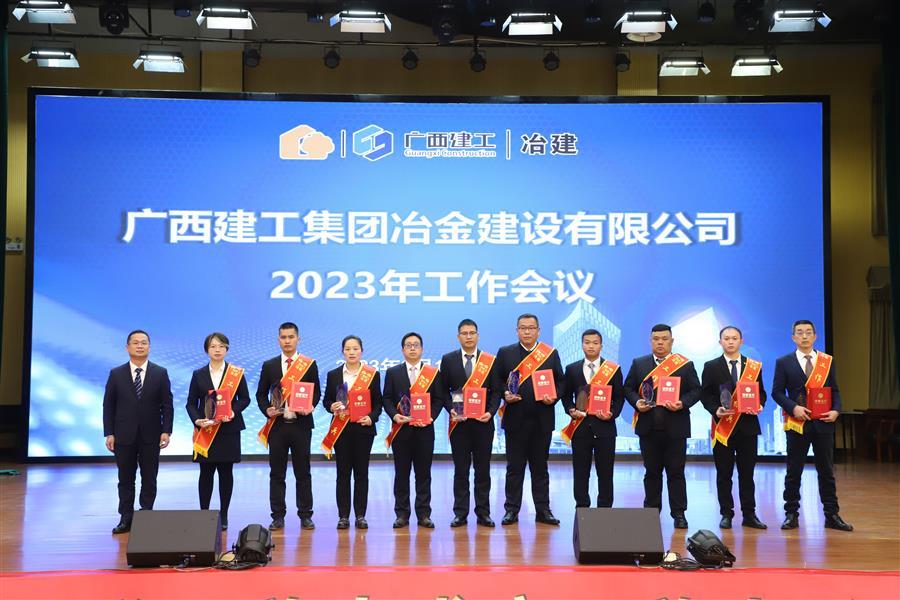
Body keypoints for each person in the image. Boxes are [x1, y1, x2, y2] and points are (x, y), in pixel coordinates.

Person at [772, 320, 853, 531]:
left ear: (815, 336)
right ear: (793, 338)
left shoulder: (826, 361)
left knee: (826, 471)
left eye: (808, 332)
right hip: (797, 423)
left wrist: (836, 410)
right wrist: (793, 408)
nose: (804, 336)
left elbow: (835, 391)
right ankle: (791, 514)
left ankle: (832, 514)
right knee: (794, 471)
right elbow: (777, 392)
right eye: (800, 333)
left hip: (823, 423)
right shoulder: (784, 362)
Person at [624, 323, 701, 529]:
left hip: (676, 428)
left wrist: (682, 403)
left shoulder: (684, 365)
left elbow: (696, 390)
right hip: (648, 428)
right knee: (651, 472)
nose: (660, 342)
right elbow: (628, 388)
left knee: (676, 472)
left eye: (664, 339)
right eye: (656, 339)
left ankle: (679, 513)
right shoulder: (639, 364)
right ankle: (651, 512)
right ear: (650, 341)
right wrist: (637, 402)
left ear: (672, 341)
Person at [493, 313, 564, 526]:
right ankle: (511, 510)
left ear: (538, 331)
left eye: (531, 328)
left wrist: (554, 396)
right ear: (517, 331)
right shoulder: (505, 353)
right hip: (515, 420)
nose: (527, 332)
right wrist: (505, 393)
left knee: (540, 468)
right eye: (523, 328)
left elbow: (561, 382)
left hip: (542, 420)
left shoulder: (550, 354)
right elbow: (496, 381)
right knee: (514, 468)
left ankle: (543, 510)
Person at [102, 330, 174, 534]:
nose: (140, 346)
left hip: (151, 434)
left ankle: (146, 515)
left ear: (149, 347)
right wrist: (109, 432)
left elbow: (167, 405)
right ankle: (125, 517)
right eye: (135, 343)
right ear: (127, 347)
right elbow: (108, 405)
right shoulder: (116, 373)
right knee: (125, 478)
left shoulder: (160, 373)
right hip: (123, 435)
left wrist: (166, 431)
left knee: (149, 477)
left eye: (144, 342)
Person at [699, 326, 767, 530]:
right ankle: (726, 514)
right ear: (720, 342)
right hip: (723, 428)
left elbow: (761, 392)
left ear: (741, 341)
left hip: (748, 427)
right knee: (724, 474)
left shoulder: (753, 366)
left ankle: (749, 514)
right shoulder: (711, 366)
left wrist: (760, 404)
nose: (730, 342)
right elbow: (705, 395)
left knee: (747, 474)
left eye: (734, 338)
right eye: (726, 338)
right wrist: (715, 409)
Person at [256, 322, 320, 531]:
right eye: (283, 337)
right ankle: (277, 516)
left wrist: (310, 406)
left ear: (298, 339)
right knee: (277, 473)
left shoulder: (309, 364)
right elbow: (260, 394)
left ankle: (305, 515)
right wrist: (266, 409)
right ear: (278, 340)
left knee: (303, 473)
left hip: (301, 426)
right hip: (277, 427)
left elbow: (316, 393)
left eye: (291, 337)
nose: (287, 341)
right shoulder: (270, 365)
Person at [185, 332, 251, 531]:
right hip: (206, 430)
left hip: (228, 429)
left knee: (226, 473)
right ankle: (204, 513)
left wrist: (233, 411)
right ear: (207, 350)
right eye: (213, 346)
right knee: (205, 473)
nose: (217, 350)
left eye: (221, 346)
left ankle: (224, 515)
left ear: (227, 349)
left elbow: (245, 398)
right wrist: (197, 420)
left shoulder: (235, 373)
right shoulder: (198, 374)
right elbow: (191, 403)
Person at [438, 319, 499, 528]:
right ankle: (460, 513)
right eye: (464, 333)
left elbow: (496, 391)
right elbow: (442, 391)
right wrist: (451, 409)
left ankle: (483, 513)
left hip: (483, 424)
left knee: (483, 471)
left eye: (472, 333)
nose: (469, 336)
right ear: (458, 337)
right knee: (461, 471)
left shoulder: (489, 361)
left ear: (478, 335)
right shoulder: (448, 360)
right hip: (459, 425)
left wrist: (490, 412)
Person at [382, 332, 445, 529]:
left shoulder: (432, 373)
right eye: (408, 345)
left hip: (425, 431)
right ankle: (402, 514)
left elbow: (439, 399)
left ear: (422, 349)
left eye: (416, 345)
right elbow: (387, 399)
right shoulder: (393, 372)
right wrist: (395, 415)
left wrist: (430, 417)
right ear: (403, 350)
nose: (412, 348)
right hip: (401, 431)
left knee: (423, 474)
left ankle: (424, 514)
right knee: (401, 474)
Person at [322, 335, 382, 530]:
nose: (352, 352)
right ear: (343, 352)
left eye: (355, 348)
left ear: (361, 351)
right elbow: (326, 401)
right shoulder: (333, 374)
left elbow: (378, 403)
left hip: (363, 430)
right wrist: (331, 406)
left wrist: (371, 417)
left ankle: (361, 515)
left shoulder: (372, 374)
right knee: (343, 474)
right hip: (341, 430)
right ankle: (343, 516)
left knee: (361, 474)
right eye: (348, 349)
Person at [561, 329, 624, 509]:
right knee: (581, 472)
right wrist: (570, 409)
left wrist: (612, 413)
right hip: (580, 428)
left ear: (601, 346)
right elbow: (566, 396)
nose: (591, 346)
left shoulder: (612, 370)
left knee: (605, 473)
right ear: (582, 345)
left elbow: (619, 397)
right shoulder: (572, 369)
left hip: (605, 428)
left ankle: (604, 509)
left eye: (595, 343)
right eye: (587, 342)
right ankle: (582, 508)